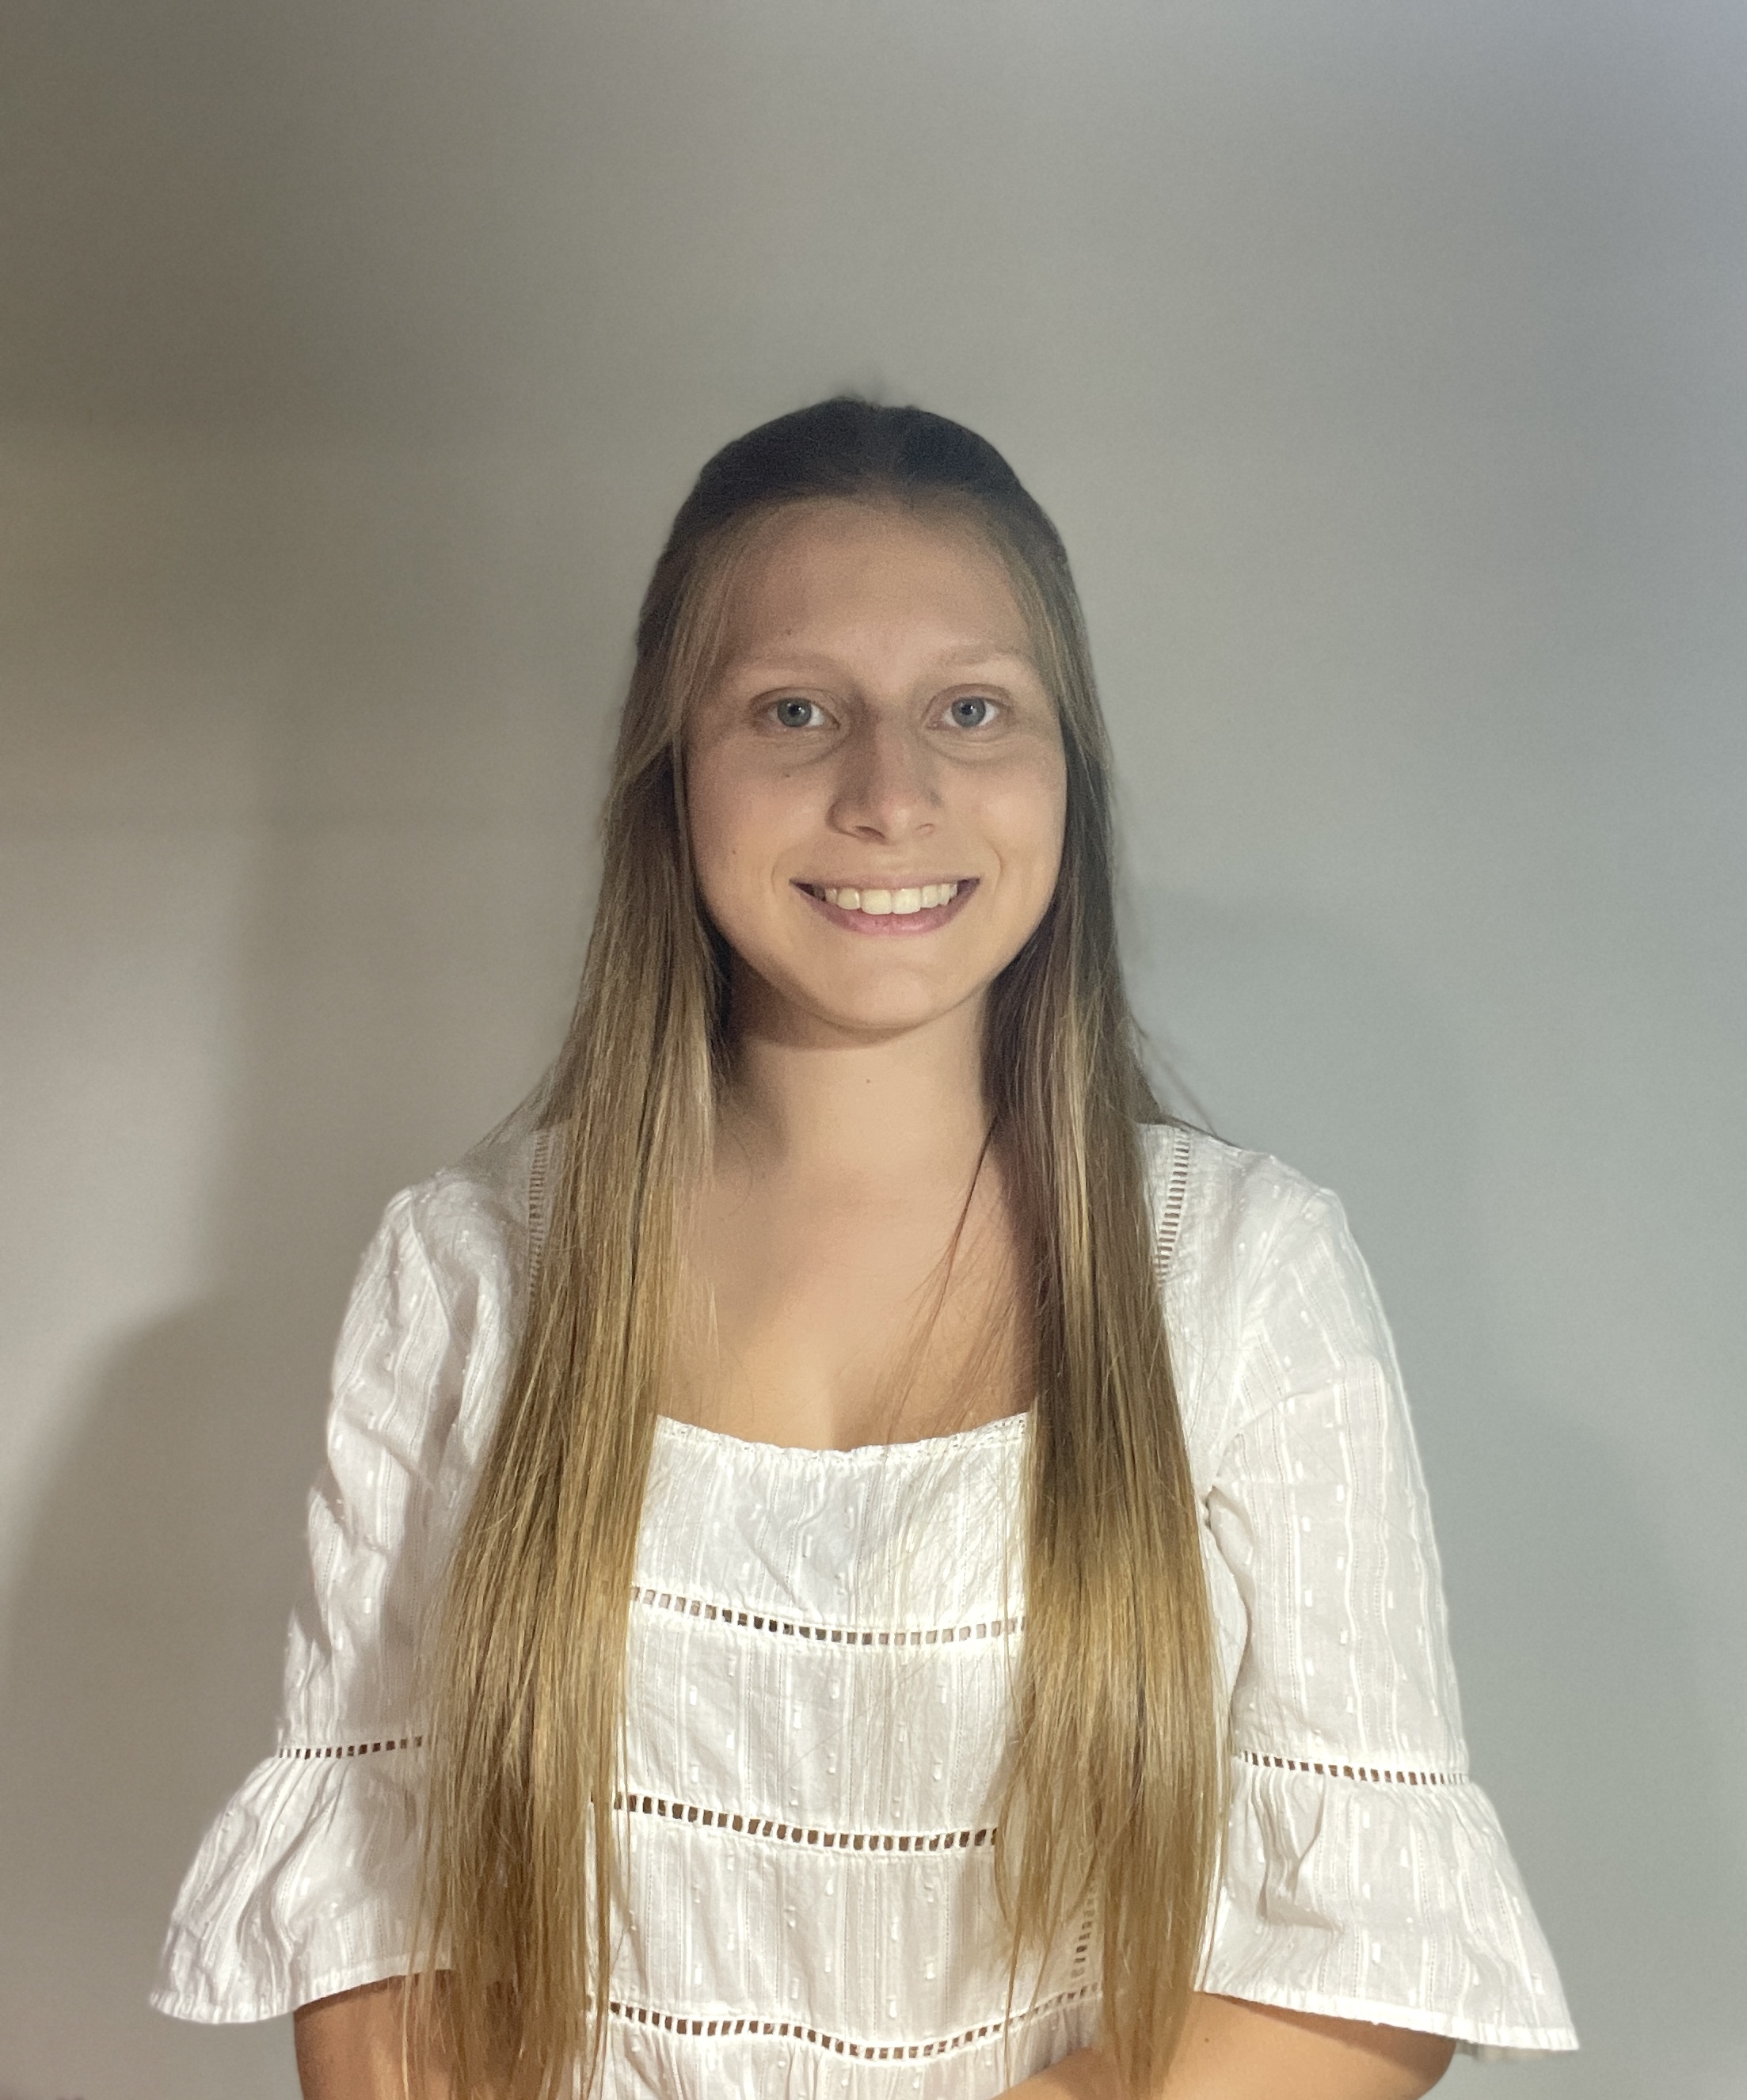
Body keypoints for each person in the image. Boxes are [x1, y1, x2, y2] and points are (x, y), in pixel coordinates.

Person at [153, 398, 1577, 2099]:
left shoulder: (1243, 1275)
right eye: (794, 710)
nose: (889, 795)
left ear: (1064, 769)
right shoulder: (458, 1270)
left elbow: (1367, 1956)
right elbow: (374, 1906)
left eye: (970, 708)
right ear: (672, 771)